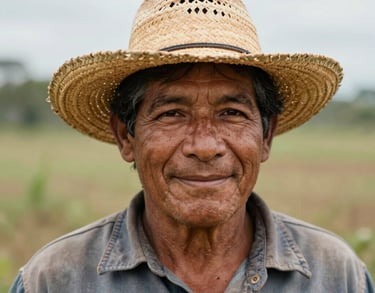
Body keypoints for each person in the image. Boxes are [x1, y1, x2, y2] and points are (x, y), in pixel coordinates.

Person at [10, 0, 374, 292]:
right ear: (126, 137)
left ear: (266, 136)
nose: (204, 146)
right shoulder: (55, 279)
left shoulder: (337, 275)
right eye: (172, 113)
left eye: (231, 112)